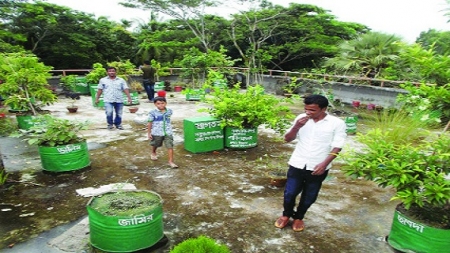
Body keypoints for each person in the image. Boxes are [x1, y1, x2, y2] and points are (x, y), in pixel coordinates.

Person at [274, 94, 346, 232]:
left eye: (312, 110)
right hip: (297, 163)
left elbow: (337, 146)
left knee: (309, 196)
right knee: (289, 193)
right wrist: (296, 126)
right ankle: (286, 215)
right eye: (306, 109)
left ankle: (299, 217)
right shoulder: (300, 119)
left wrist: (324, 164)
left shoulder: (336, 123)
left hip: (318, 166)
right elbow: (287, 139)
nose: (308, 112)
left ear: (323, 109)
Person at [147, 96, 179, 168]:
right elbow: (149, 123)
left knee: (170, 146)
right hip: (157, 132)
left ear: (166, 103)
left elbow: (168, 119)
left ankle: (170, 161)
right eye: (158, 104)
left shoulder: (169, 111)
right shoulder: (152, 112)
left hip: (168, 132)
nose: (161, 105)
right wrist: (149, 133)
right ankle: (153, 152)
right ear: (155, 104)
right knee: (156, 144)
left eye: (162, 103)